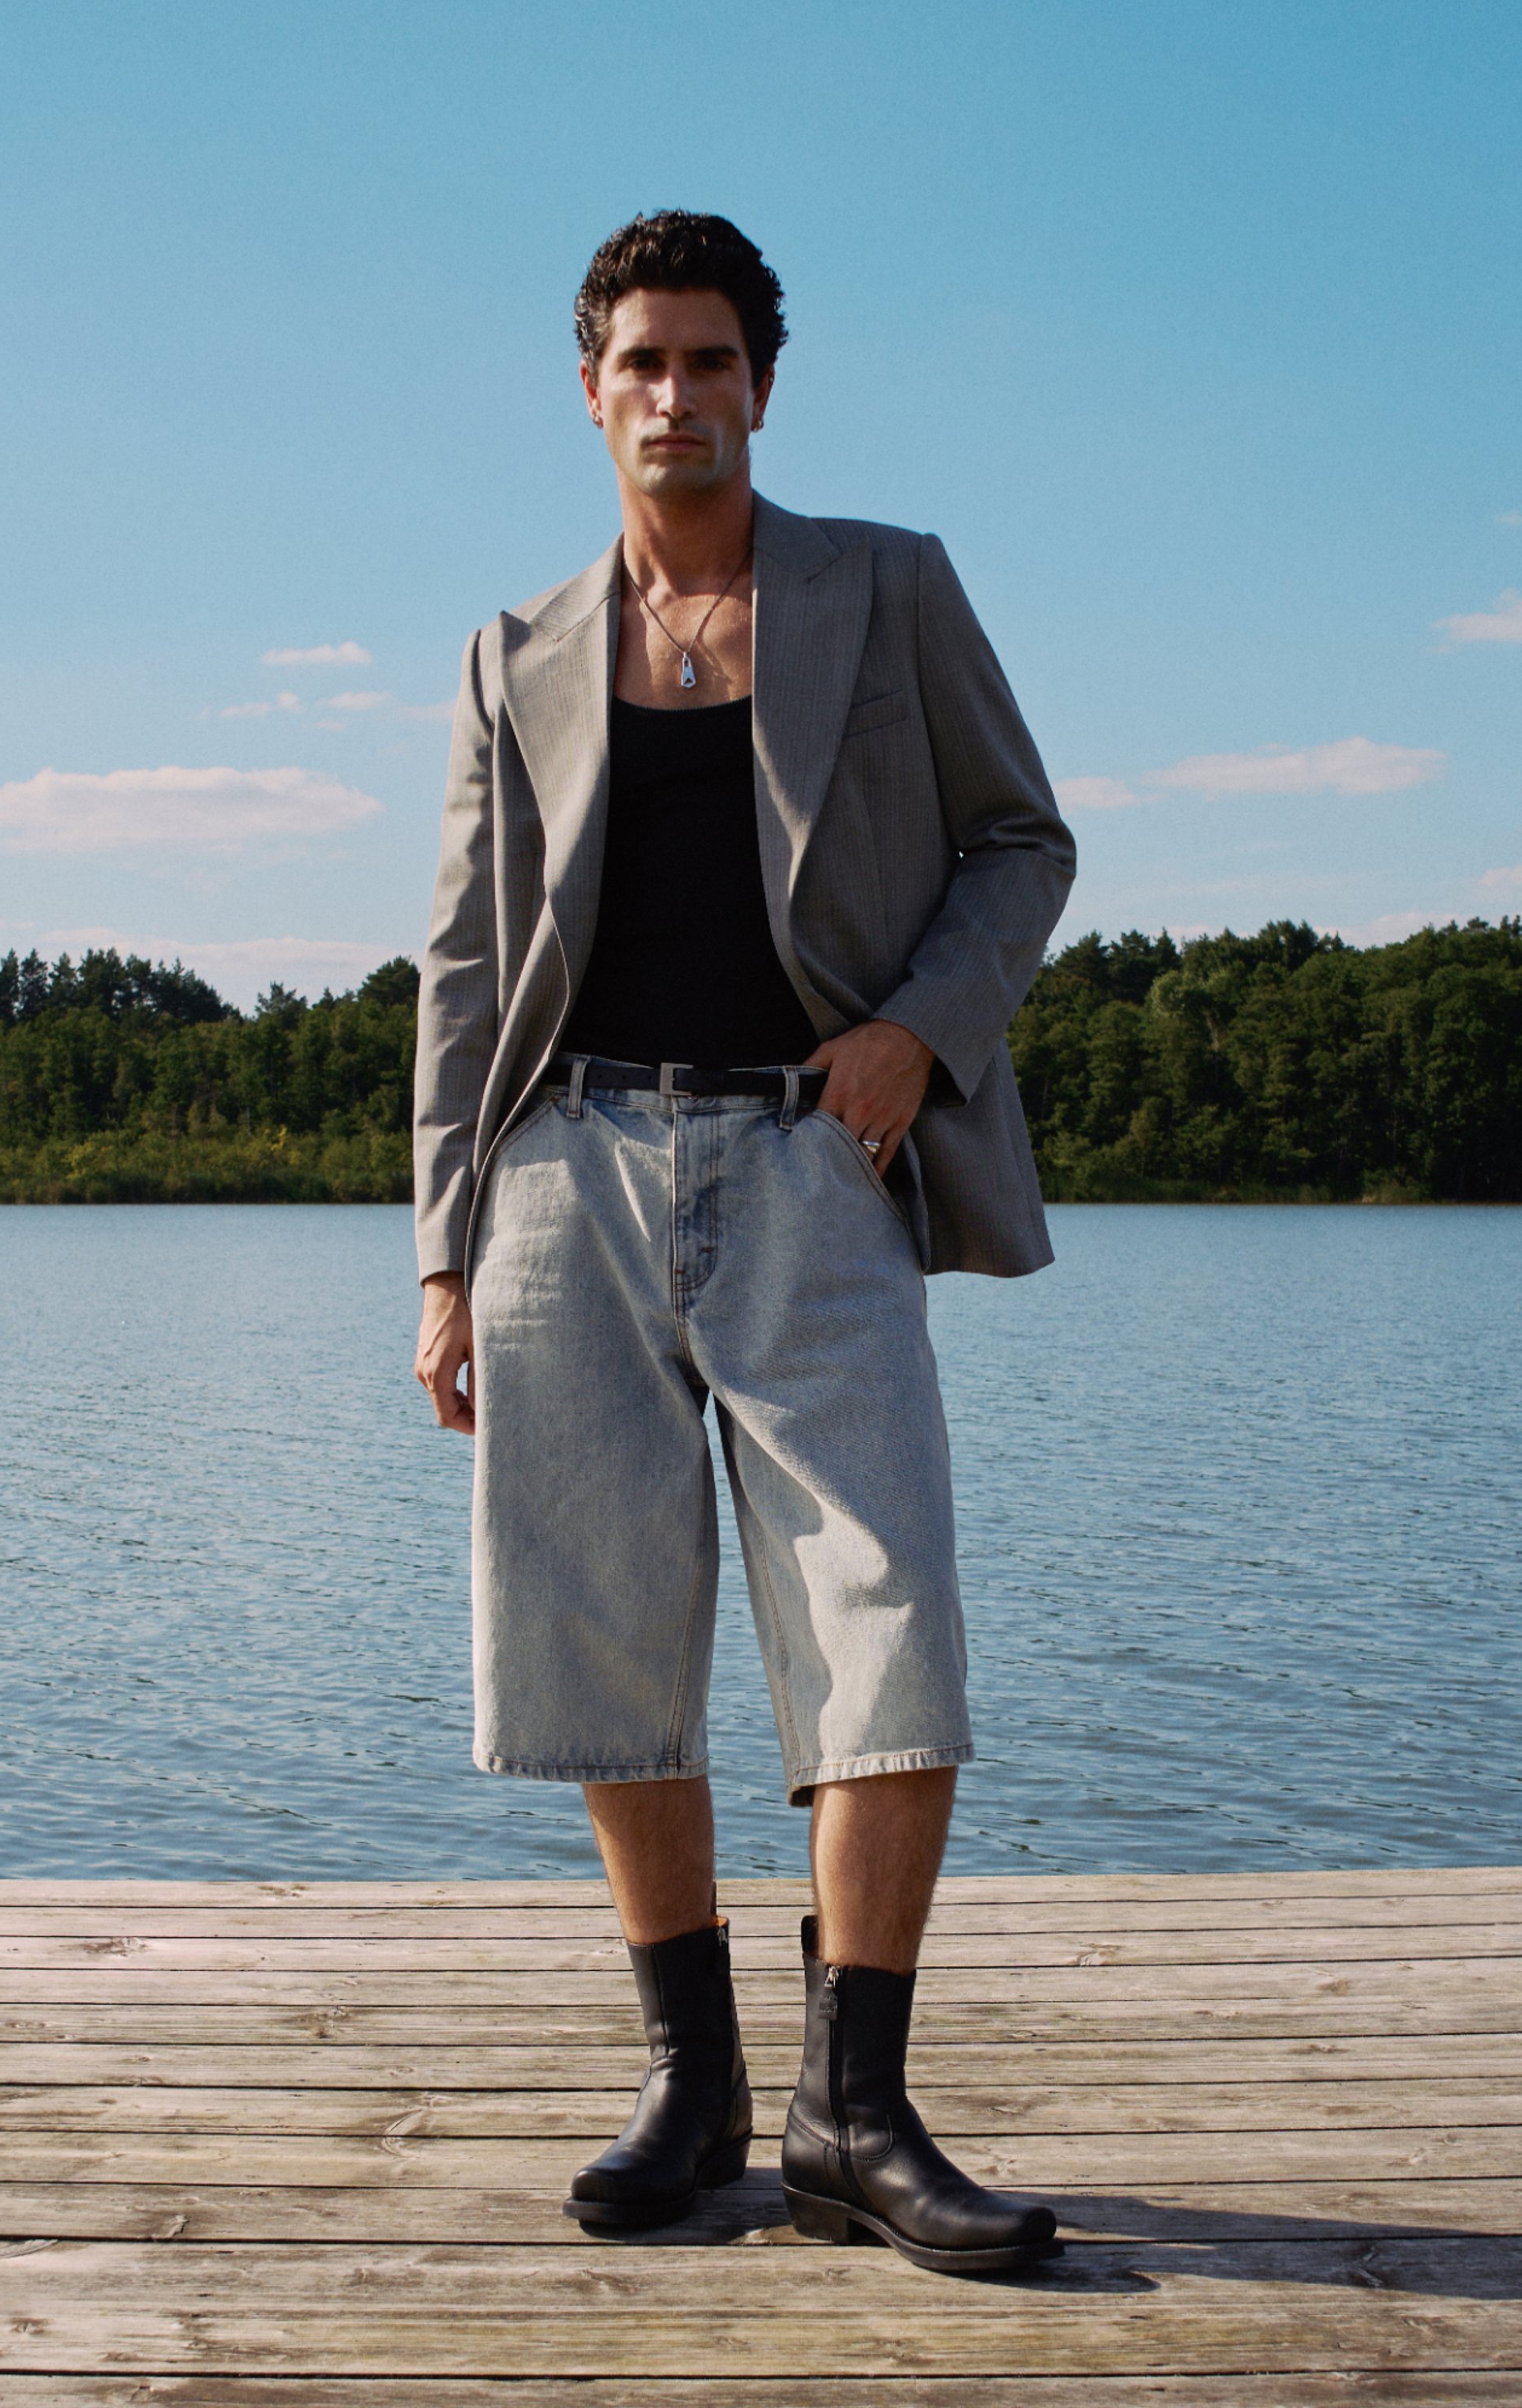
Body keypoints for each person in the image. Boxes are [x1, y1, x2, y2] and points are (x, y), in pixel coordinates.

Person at [412, 211, 1075, 2275]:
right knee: (605, 1634)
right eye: (642, 361)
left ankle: (851, 2105)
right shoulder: (508, 650)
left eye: (712, 359)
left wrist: (911, 1034)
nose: (677, 394)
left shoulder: (884, 586)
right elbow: (456, 963)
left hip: (815, 1162)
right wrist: (442, 1246)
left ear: (761, 384)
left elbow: (1021, 840)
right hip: (564, 1171)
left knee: (886, 1619)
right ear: (590, 390)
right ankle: (692, 2075)